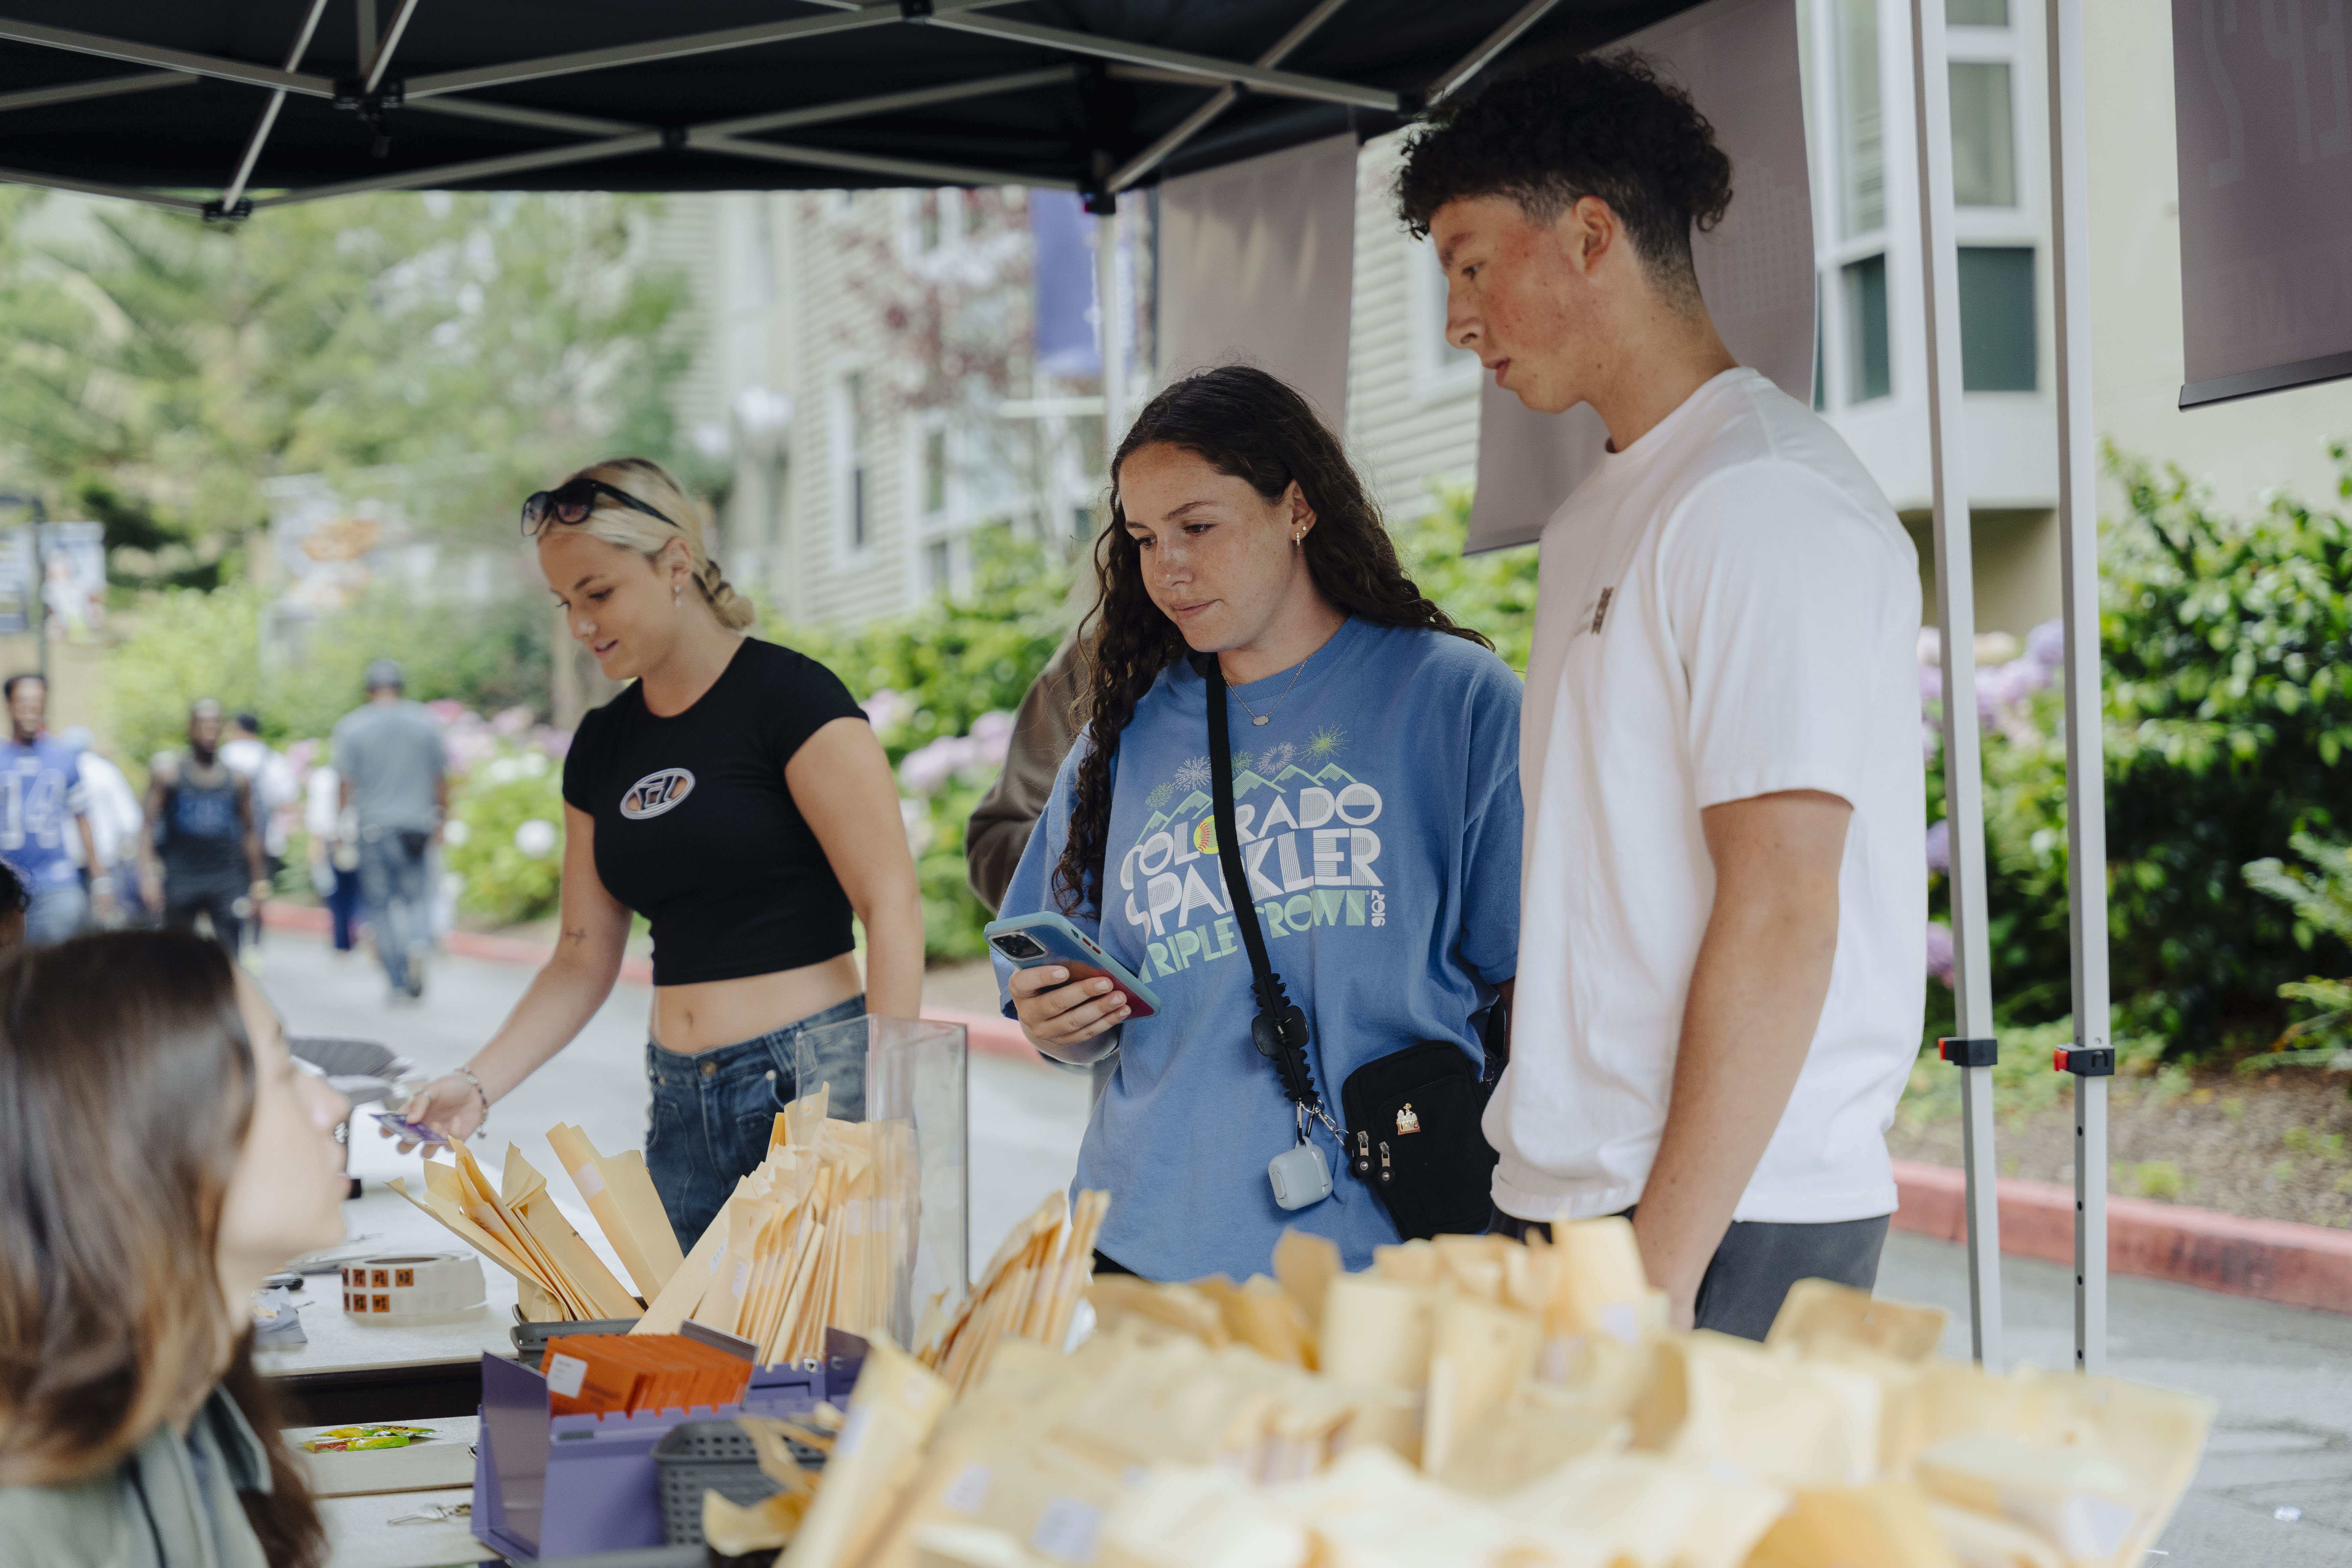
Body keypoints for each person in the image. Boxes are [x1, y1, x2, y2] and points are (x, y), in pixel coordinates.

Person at [1396, 54, 1927, 1339]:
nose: (1458, 318)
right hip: (1579, 1185)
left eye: (1473, 265)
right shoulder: (1601, 511)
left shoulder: (1761, 499)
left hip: (1724, 1210)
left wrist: (1660, 1266)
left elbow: (1786, 902)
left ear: (1591, 234)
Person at [993, 367, 1523, 1281]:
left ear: (1299, 508)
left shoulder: (1453, 702)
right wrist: (1057, 1021)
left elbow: (1535, 987)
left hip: (1390, 1251)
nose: (1169, 568)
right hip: (1150, 1241)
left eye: (1198, 527)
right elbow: (1055, 993)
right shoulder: (1118, 740)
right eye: (1145, 538)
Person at [391, 458, 925, 1246]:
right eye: (566, 601)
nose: (580, 624)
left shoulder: (793, 699)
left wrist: (888, 1102)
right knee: (696, 1365)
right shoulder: (604, 745)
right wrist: (477, 1083)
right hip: (681, 1100)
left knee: (821, 1363)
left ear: (675, 562)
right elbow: (580, 954)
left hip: (814, 1086)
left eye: (598, 592)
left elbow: (892, 904)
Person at [0, 930, 349, 1567]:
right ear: (152, 1141)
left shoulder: (190, 1399)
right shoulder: (24, 1519)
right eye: (282, 1071)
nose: (332, 1105)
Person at [329, 662, 447, 1001]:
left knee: (380, 906)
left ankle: (397, 980)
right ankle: (420, 943)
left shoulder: (352, 726)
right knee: (418, 896)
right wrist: (442, 819)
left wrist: (341, 826)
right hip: (417, 826)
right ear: (401, 686)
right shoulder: (425, 723)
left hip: (373, 828)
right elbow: (440, 776)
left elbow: (345, 782)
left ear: (370, 689)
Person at [140, 700, 271, 961]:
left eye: (215, 725)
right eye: (203, 725)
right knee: (177, 958)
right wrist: (148, 876)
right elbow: (146, 827)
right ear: (191, 729)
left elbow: (250, 833)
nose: (209, 731)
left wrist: (258, 883)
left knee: (230, 957)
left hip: (226, 877)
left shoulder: (237, 780)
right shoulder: (169, 776)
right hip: (182, 876)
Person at [0, 674, 108, 944]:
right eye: (24, 703)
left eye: (38, 704)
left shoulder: (63, 757)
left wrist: (100, 878)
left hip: (55, 879)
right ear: (9, 705)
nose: (31, 711)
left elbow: (82, 818)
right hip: (4, 882)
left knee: (54, 963)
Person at [220, 713, 297, 951]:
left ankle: (231, 943)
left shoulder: (224, 755)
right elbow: (286, 798)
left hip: (227, 841)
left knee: (228, 891)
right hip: (265, 840)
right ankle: (254, 943)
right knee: (258, 889)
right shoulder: (271, 758)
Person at [59, 726, 146, 924]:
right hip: (107, 862)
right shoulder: (105, 770)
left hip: (69, 866)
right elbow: (130, 820)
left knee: (74, 928)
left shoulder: (59, 771)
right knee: (106, 926)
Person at [303, 759, 363, 955]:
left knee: (340, 896)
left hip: (341, 841)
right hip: (347, 841)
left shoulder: (323, 778)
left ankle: (343, 944)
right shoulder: (328, 778)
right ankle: (347, 941)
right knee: (349, 894)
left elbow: (316, 818)